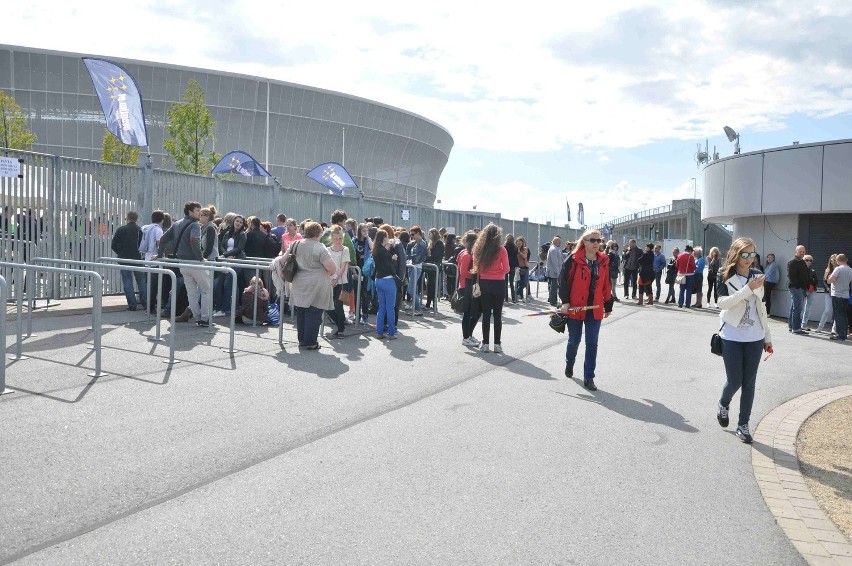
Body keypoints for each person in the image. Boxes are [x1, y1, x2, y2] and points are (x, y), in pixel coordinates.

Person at [716, 237, 774, 444]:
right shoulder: (724, 275)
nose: (749, 259)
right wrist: (747, 289)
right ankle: (723, 403)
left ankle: (743, 424)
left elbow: (762, 308)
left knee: (749, 383)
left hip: (755, 337)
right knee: (735, 380)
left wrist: (767, 337)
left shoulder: (758, 275)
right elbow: (723, 303)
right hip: (732, 336)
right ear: (736, 254)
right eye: (745, 254)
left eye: (752, 255)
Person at [558, 228, 614, 391]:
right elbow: (564, 282)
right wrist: (565, 302)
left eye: (599, 240)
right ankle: (569, 363)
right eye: (593, 240)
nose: (597, 243)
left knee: (592, 343)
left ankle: (589, 377)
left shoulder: (603, 261)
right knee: (574, 341)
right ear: (584, 242)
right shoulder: (573, 259)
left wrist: (608, 304)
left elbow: (606, 285)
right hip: (575, 308)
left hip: (595, 309)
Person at [287, 221, 336, 350]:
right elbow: (331, 267)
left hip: (299, 282)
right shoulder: (320, 247)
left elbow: (283, 259)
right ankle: (311, 342)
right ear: (319, 233)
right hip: (317, 284)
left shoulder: (295, 244)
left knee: (302, 312)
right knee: (314, 313)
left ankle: (302, 340)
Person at [472, 224, 510, 353]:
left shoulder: (479, 249)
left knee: (486, 314)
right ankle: (497, 344)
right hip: (499, 283)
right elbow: (507, 269)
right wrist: (498, 270)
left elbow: (477, 267)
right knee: (498, 315)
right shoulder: (501, 250)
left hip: (484, 283)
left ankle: (485, 343)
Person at [111, 211, 146, 312]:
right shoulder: (141, 230)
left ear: (127, 218)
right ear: (136, 218)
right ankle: (145, 304)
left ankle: (132, 305)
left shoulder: (121, 229)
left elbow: (113, 245)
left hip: (124, 259)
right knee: (141, 282)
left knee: (127, 282)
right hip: (138, 259)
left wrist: (120, 252)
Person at [372, 229, 398, 340]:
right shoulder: (384, 252)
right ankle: (391, 333)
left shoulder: (376, 250)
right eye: (387, 236)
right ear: (384, 238)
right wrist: (394, 260)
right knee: (390, 308)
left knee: (381, 308)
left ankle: (379, 332)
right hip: (388, 281)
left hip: (378, 280)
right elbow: (389, 267)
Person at [457, 231, 481, 347]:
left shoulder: (466, 253)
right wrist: (475, 273)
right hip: (466, 285)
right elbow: (463, 272)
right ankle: (466, 337)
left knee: (472, 312)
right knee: (467, 313)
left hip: (467, 285)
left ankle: (468, 335)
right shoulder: (467, 255)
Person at [325, 225, 350, 339]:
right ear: (331, 238)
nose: (338, 241)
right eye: (336, 239)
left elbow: (343, 266)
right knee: (327, 305)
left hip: (341, 282)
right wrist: (331, 278)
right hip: (329, 281)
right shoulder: (327, 249)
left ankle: (341, 329)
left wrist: (335, 279)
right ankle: (340, 325)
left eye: (340, 238)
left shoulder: (345, 249)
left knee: (338, 305)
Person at [826, 253, 852, 341]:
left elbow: (830, 281)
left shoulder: (838, 269)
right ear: (846, 260)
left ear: (837, 261)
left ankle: (840, 335)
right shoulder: (850, 269)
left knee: (838, 315)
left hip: (837, 294)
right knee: (844, 315)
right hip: (846, 295)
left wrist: (828, 278)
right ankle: (844, 333)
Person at [787, 245, 809, 334]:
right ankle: (796, 328)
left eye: (803, 252)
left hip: (801, 288)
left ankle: (792, 326)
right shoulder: (792, 262)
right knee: (797, 308)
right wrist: (798, 286)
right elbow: (791, 276)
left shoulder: (802, 262)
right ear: (796, 251)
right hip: (796, 288)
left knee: (794, 307)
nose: (802, 253)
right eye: (800, 251)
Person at [406, 225, 427, 316]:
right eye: (410, 235)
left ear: (418, 233)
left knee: (411, 289)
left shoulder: (421, 243)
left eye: (413, 234)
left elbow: (417, 258)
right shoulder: (417, 243)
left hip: (416, 268)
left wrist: (408, 258)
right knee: (413, 289)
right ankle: (417, 308)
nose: (411, 236)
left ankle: (418, 309)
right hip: (414, 267)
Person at [816, 255, 837, 333]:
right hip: (828, 292)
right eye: (832, 260)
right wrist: (828, 289)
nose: (833, 262)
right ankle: (820, 326)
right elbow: (824, 281)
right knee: (827, 310)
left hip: (837, 292)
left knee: (836, 311)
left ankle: (834, 329)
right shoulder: (828, 269)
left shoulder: (839, 269)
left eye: (835, 260)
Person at [424, 228, 444, 310]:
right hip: (431, 266)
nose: (429, 235)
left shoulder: (439, 243)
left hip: (435, 266)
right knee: (430, 285)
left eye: (430, 233)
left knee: (433, 285)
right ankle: (429, 304)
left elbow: (436, 255)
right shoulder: (432, 243)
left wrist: (426, 259)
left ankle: (433, 304)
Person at [801, 254, 818, 329]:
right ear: (804, 261)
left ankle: (804, 324)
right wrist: (810, 280)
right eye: (807, 260)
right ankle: (796, 324)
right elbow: (803, 281)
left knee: (808, 308)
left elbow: (816, 281)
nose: (809, 262)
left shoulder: (812, 271)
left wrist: (811, 280)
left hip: (811, 290)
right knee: (799, 307)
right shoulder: (801, 270)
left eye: (810, 260)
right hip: (803, 290)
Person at [545, 236, 563, 307]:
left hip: (554, 271)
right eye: (559, 242)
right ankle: (553, 301)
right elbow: (555, 262)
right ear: (556, 242)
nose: (560, 243)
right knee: (554, 288)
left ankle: (551, 299)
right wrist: (558, 273)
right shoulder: (553, 249)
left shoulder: (556, 249)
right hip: (554, 272)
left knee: (552, 286)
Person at [515, 236, 531, 303]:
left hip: (525, 268)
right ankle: (521, 297)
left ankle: (516, 293)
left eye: (520, 242)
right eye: (517, 242)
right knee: (519, 283)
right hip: (518, 268)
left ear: (522, 242)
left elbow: (525, 256)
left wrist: (519, 252)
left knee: (524, 282)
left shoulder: (525, 249)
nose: (519, 243)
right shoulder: (515, 249)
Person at [505, 234, 519, 303]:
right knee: (511, 283)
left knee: (505, 283)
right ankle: (513, 298)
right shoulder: (515, 247)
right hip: (512, 266)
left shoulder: (504, 247)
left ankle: (506, 298)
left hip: (506, 265)